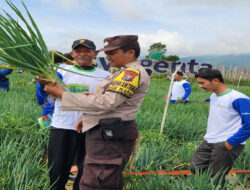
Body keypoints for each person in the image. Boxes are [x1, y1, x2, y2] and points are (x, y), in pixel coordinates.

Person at [44, 35, 150, 190]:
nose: (107, 57)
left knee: (98, 179)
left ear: (130, 52)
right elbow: (105, 99)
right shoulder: (120, 72)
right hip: (90, 127)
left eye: (112, 52)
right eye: (107, 53)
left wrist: (63, 95)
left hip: (110, 133)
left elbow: (107, 102)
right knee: (87, 175)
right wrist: (89, 118)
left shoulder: (130, 74)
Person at [38, 39, 110, 190]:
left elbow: (105, 101)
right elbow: (49, 93)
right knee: (57, 169)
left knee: (86, 169)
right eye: (78, 51)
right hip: (62, 125)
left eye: (87, 51)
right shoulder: (60, 71)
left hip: (90, 128)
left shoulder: (104, 76)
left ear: (95, 54)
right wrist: (41, 81)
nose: (82, 54)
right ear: (72, 54)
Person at [190, 69, 250, 186]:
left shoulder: (238, 98)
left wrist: (230, 143)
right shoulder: (213, 96)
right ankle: (206, 186)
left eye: (202, 83)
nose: (200, 86)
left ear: (216, 81)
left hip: (227, 143)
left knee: (216, 176)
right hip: (209, 140)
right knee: (196, 166)